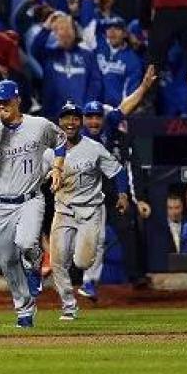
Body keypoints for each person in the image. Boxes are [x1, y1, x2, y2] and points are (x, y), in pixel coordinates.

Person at [0, 80, 66, 328]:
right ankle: (24, 309)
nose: (2, 106)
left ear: (17, 100)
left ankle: (35, 263)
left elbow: (61, 139)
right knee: (7, 261)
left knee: (25, 242)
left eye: (6, 101)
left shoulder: (39, 125)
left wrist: (57, 166)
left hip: (30, 199)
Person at [75, 65, 157, 299]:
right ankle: (88, 282)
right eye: (89, 117)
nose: (93, 121)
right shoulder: (75, 136)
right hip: (89, 192)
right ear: (83, 119)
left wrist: (143, 87)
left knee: (124, 231)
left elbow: (127, 106)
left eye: (96, 117)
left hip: (114, 191)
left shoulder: (110, 125)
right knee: (95, 238)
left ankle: (134, 277)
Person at [43, 102, 129, 320]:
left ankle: (85, 273)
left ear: (80, 122)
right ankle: (69, 305)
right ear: (59, 122)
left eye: (74, 118)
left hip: (90, 211)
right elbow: (35, 178)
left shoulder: (94, 147)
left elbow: (118, 171)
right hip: (63, 210)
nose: (70, 122)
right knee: (57, 261)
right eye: (66, 118)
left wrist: (122, 195)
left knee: (81, 262)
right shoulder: (49, 151)